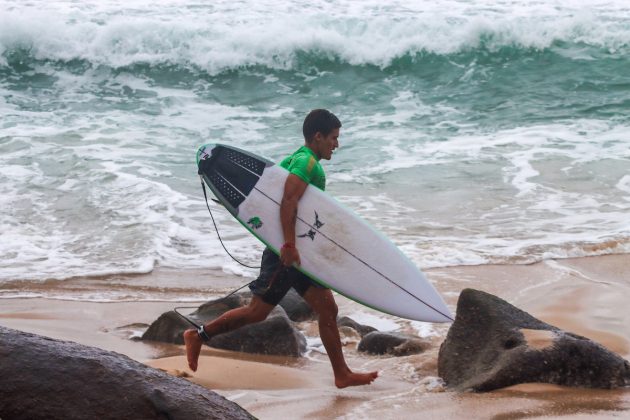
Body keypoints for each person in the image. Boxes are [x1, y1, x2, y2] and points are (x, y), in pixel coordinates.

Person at [184, 109, 379, 388]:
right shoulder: (306, 162)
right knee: (257, 312)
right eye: (334, 138)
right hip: (286, 252)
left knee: (327, 308)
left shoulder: (302, 160)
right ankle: (198, 336)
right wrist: (287, 245)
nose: (336, 144)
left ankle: (341, 374)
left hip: (300, 251)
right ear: (318, 136)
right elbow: (287, 201)